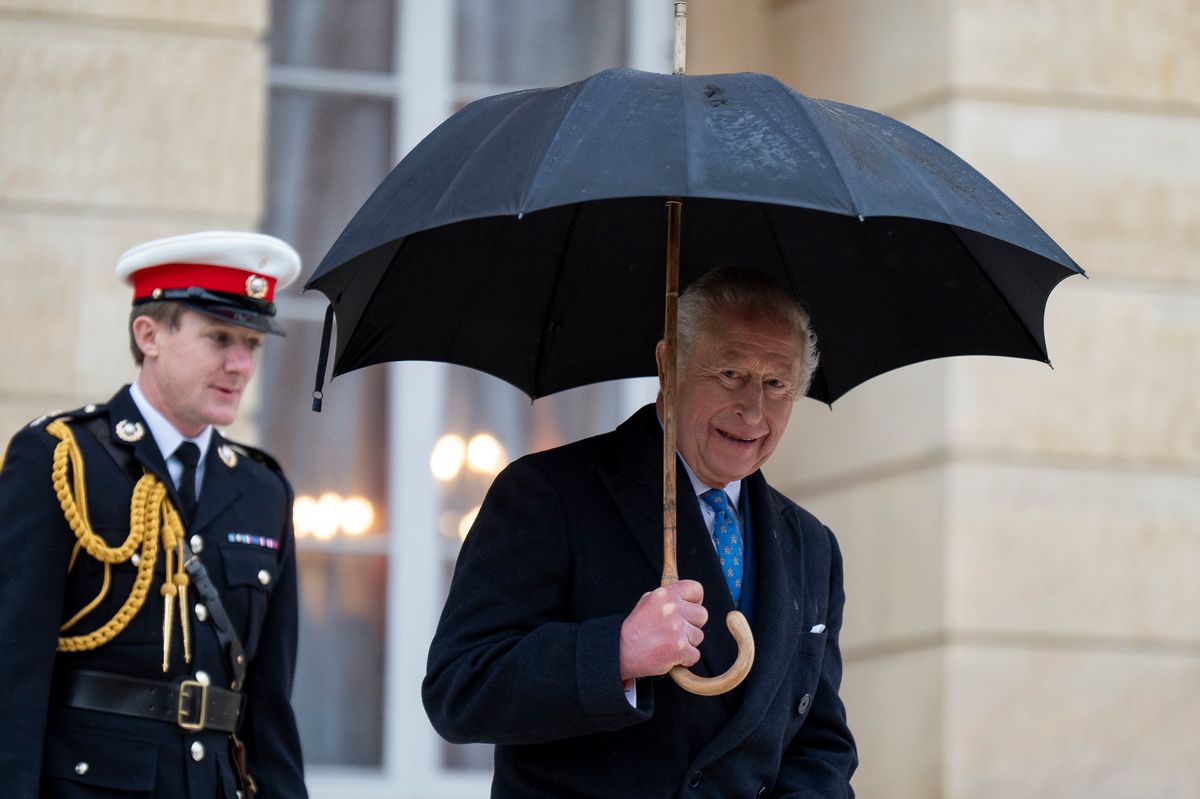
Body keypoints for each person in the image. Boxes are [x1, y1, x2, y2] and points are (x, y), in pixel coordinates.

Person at [423, 267, 857, 797]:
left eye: (776, 384)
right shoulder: (548, 493)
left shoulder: (812, 546)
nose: (753, 410)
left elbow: (819, 746)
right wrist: (618, 652)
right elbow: (460, 690)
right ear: (667, 365)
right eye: (730, 373)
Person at [0, 231, 308, 798]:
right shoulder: (61, 459)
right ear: (149, 335)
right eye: (219, 337)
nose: (240, 365)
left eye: (252, 343)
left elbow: (269, 709)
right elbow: (11, 672)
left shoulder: (263, 489)